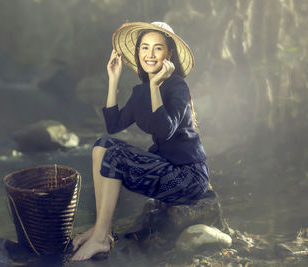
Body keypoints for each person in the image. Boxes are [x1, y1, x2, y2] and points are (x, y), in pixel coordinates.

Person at [71, 21, 209, 261]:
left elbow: (165, 130)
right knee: (102, 147)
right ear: (138, 53)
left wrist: (156, 85)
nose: (150, 54)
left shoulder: (178, 87)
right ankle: (100, 229)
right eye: (144, 48)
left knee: (114, 156)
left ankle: (101, 239)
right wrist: (113, 79)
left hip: (188, 178)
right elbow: (113, 125)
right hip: (164, 168)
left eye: (158, 48)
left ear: (169, 54)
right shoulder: (141, 92)